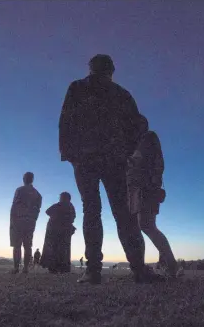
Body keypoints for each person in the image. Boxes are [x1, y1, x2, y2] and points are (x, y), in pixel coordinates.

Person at [59, 54, 157, 284]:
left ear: (91, 68)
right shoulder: (121, 94)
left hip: (89, 159)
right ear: (111, 70)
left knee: (93, 210)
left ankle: (93, 270)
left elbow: (66, 122)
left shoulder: (79, 87)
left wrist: (70, 154)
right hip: (111, 160)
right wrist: (128, 153)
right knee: (122, 214)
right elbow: (138, 126)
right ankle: (138, 269)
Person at [127, 115, 181, 278]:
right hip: (140, 188)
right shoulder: (142, 140)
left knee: (146, 225)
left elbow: (143, 162)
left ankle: (171, 265)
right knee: (143, 226)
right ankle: (163, 265)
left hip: (145, 188)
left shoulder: (148, 138)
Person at [9, 172, 42, 274]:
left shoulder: (20, 190)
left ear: (24, 179)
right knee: (28, 245)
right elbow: (38, 210)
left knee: (17, 244)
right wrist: (34, 219)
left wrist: (12, 219)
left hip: (18, 220)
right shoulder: (38, 194)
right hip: (31, 221)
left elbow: (14, 205)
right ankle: (26, 268)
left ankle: (16, 268)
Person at [40, 192, 77, 274]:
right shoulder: (70, 207)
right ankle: (62, 268)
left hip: (55, 230)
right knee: (63, 249)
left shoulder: (59, 205)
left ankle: (54, 267)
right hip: (64, 231)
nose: (59, 198)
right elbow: (73, 217)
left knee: (54, 248)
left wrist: (57, 217)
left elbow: (48, 211)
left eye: (60, 197)